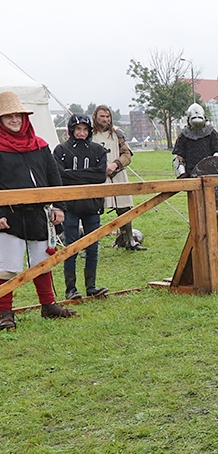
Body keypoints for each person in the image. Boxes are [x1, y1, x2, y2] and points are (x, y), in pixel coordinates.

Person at [0, 91, 77, 330]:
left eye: (18, 115)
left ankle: (48, 305)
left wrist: (59, 207)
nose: (15, 120)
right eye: (9, 116)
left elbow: (55, 178)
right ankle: (4, 314)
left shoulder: (40, 145)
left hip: (39, 214)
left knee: (42, 261)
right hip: (9, 214)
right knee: (6, 266)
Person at [53, 114, 109, 300]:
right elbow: (59, 176)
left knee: (92, 247)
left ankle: (91, 286)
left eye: (85, 129)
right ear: (71, 130)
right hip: (70, 206)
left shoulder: (97, 150)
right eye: (78, 129)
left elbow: (100, 176)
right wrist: (86, 175)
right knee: (72, 246)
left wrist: (74, 175)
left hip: (92, 205)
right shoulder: (60, 150)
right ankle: (71, 289)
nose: (82, 133)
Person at [173, 103, 218, 246]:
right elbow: (178, 158)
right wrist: (182, 174)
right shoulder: (184, 136)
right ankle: (201, 237)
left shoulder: (211, 133)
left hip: (212, 176)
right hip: (193, 176)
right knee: (198, 211)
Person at [92, 105, 145, 250]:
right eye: (102, 116)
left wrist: (116, 165)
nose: (105, 119)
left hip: (118, 174)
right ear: (95, 116)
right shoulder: (89, 135)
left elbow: (127, 155)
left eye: (107, 116)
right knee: (92, 211)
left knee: (124, 208)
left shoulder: (117, 134)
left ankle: (128, 241)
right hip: (96, 177)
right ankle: (90, 246)